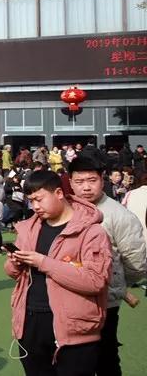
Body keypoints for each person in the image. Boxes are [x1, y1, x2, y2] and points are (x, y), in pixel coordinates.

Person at [4, 170, 112, 375]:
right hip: (30, 323)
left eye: (39, 199)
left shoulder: (91, 232)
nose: (35, 206)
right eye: (31, 201)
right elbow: (12, 272)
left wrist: (44, 262)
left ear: (59, 193)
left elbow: (95, 281)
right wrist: (15, 262)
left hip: (74, 329)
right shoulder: (29, 228)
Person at [67, 157, 147, 376]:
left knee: (106, 355)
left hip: (105, 300)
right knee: (73, 357)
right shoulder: (66, 209)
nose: (86, 187)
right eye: (79, 181)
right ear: (70, 182)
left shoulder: (119, 215)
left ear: (102, 180)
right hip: (69, 297)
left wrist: (116, 284)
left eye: (92, 180)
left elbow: (136, 262)